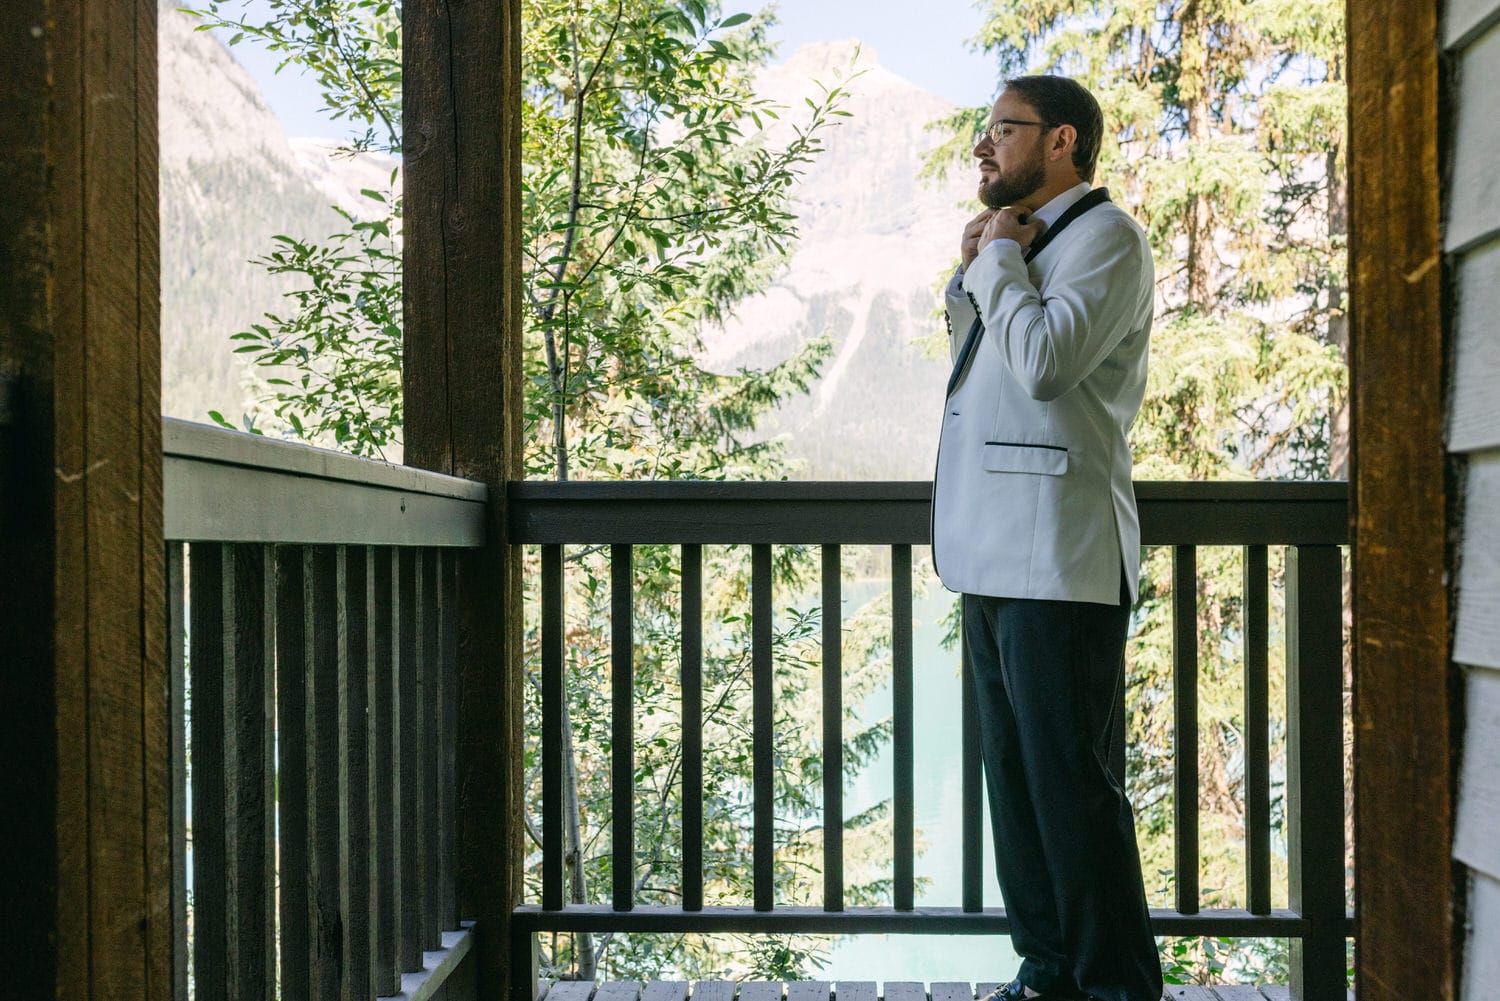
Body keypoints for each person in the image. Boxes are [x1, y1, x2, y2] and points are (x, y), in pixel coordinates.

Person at [931, 75, 1163, 1001]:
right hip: (992, 554)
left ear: (1062, 140)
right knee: (1017, 789)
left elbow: (1045, 365)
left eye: (1004, 130)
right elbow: (974, 372)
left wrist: (997, 266)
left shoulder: (1107, 238)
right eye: (984, 130)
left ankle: (1116, 985)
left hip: (1061, 559)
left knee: (1072, 789)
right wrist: (975, 269)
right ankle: (1048, 973)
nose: (985, 146)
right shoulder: (1023, 241)